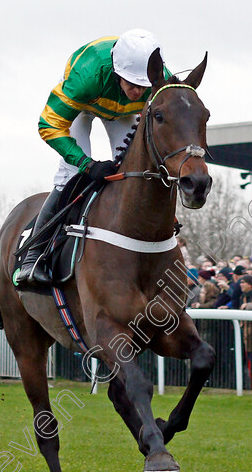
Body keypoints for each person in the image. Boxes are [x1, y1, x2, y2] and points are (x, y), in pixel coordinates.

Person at [17, 29, 168, 285]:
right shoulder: (86, 78)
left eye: (143, 86)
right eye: (132, 84)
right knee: (72, 174)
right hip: (83, 105)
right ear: (117, 72)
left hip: (123, 113)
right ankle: (33, 256)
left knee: (135, 167)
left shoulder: (160, 78)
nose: (137, 92)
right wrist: (87, 164)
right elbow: (49, 124)